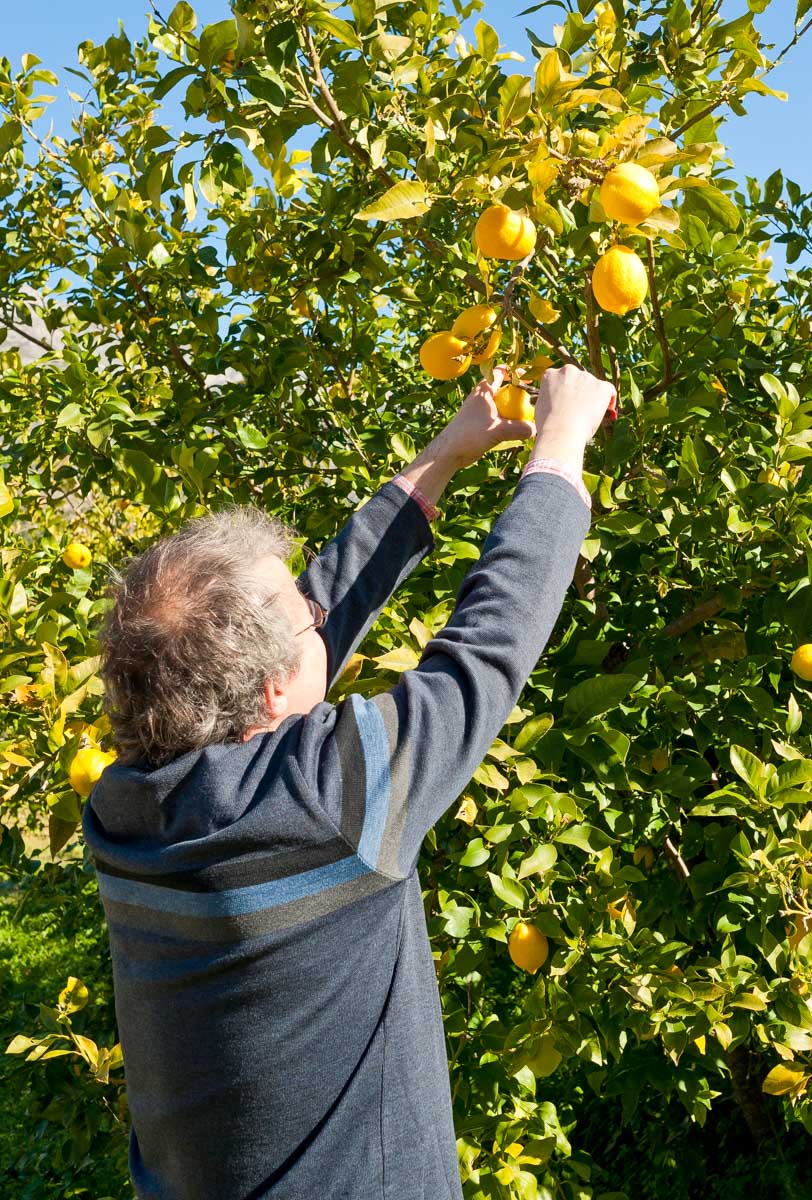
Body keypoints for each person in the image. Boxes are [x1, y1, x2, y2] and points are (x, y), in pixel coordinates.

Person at [82, 363, 617, 1199]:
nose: (317, 606)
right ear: (270, 692)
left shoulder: (122, 806)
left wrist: (440, 458)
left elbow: (287, 631)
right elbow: (487, 646)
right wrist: (560, 449)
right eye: (305, 616)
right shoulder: (326, 806)